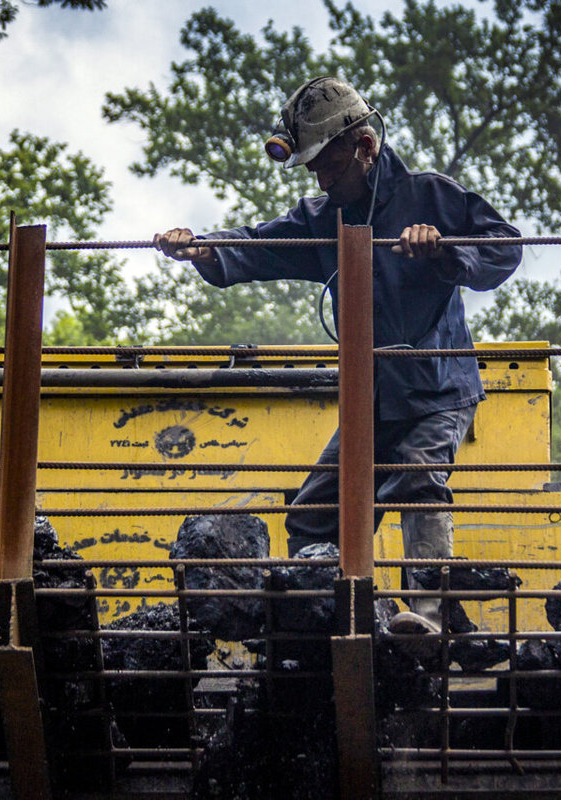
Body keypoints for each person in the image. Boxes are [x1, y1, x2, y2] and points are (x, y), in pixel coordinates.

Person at [155, 76, 521, 636]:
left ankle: (430, 622)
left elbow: (505, 244)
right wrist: (206, 248)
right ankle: (353, 621)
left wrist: (448, 254)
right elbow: (257, 245)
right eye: (314, 169)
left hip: (437, 389)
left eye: (329, 164)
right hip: (371, 398)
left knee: (418, 478)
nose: (322, 179)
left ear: (365, 148)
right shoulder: (323, 217)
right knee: (313, 514)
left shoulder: (430, 196)